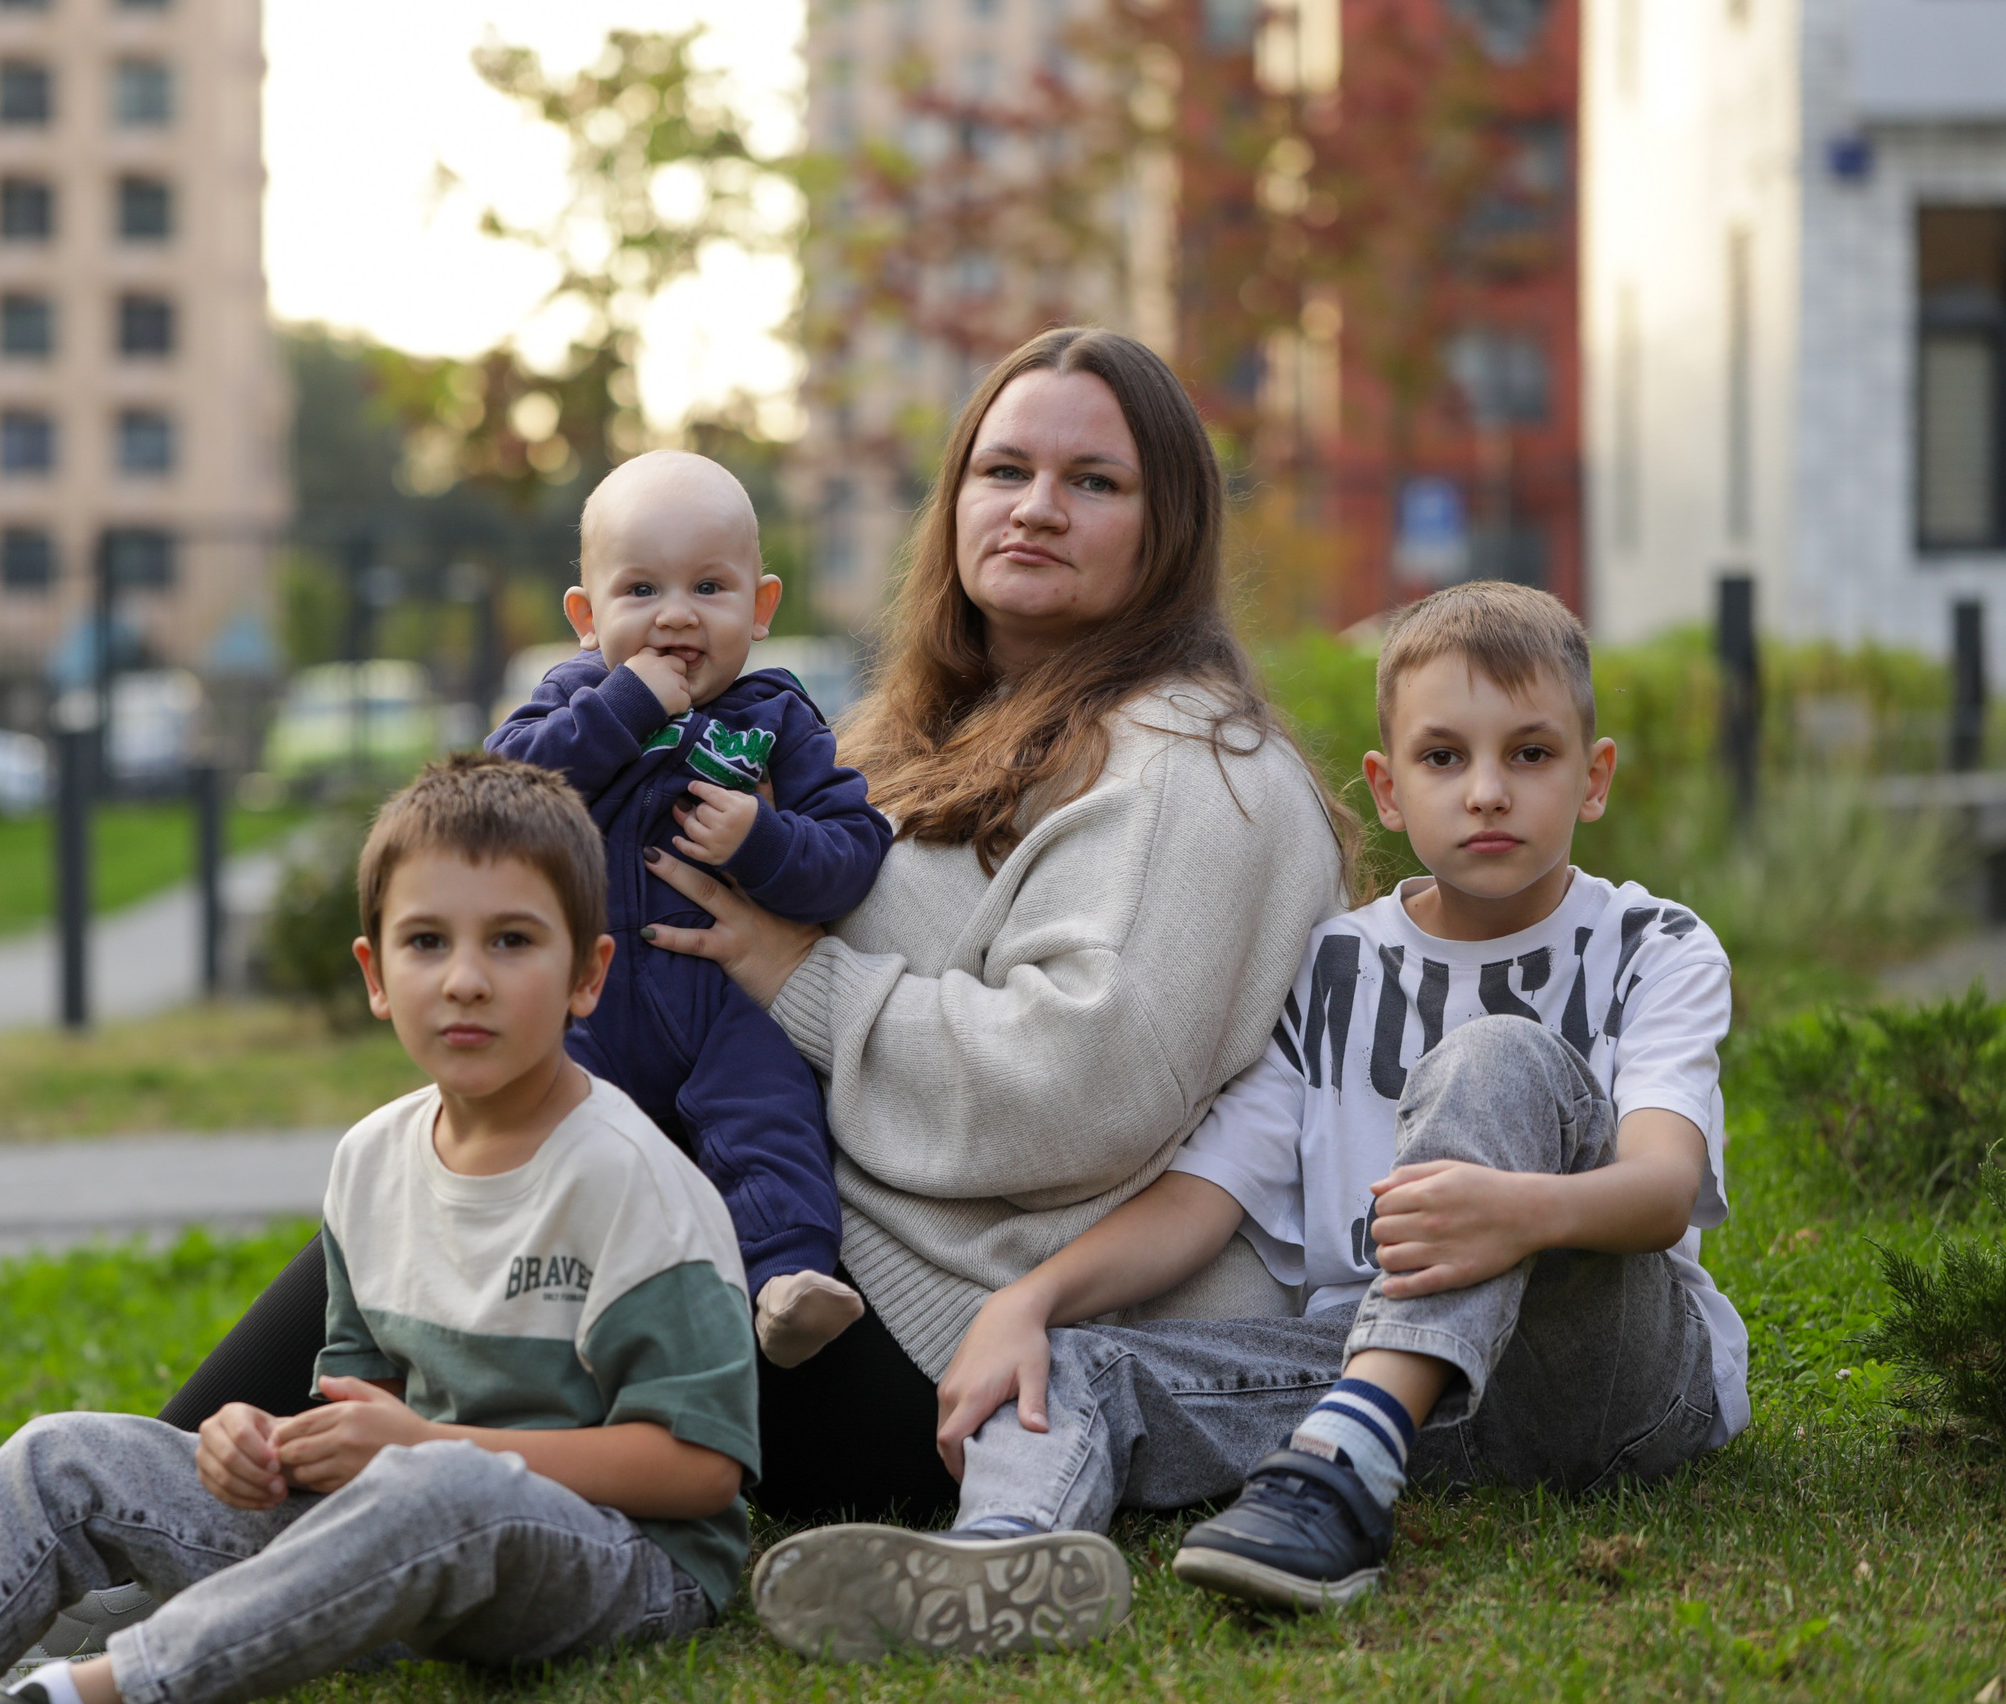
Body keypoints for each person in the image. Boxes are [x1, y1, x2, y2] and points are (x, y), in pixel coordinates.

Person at [128, 327, 1353, 1530]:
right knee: (436, 1173)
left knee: (487, 1232)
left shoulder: (1191, 767)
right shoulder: (917, 726)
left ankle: (156, 1499)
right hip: (790, 1224)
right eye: (1003, 470)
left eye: (1093, 482)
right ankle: (165, 1494)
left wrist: (794, 976)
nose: (1035, 507)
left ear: (1170, 524)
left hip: (935, 1332)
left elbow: (1076, 1086)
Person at [748, 581, 1750, 1661]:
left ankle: (1341, 1470)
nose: (1488, 793)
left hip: (1604, 1370)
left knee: (1496, 1055)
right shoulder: (1338, 966)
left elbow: (1657, 1194)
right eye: (1444, 758)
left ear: (1592, 779)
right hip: (1381, 1384)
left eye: (1532, 755)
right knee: (1081, 1361)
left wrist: (1516, 1214)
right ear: (1387, 789)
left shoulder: (1653, 944)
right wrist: (1027, 1302)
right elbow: (1203, 1196)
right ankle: (1005, 1552)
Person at [0, 754, 759, 1704]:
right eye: (426, 941)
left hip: (623, 1562)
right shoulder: (372, 1159)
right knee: (58, 1456)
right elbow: (363, 1405)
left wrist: (426, 1447)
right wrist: (263, 1446)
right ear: (374, 973)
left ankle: (87, 1691)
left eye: (512, 941)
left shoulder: (627, 1178)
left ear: (587, 974)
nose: (466, 979)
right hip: (403, 1548)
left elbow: (701, 1469)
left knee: (437, 1491)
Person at [487, 449, 893, 1371]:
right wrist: (625, 705)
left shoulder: (777, 718)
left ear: (760, 606)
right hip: (589, 1003)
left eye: (709, 586)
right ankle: (551, 1308)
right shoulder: (576, 699)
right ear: (588, 618)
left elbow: (853, 848)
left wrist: (764, 842)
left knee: (772, 1113)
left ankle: (785, 1278)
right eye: (640, 588)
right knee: (562, 1139)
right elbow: (504, 792)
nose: (675, 613)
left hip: (722, 1003)